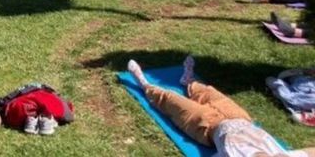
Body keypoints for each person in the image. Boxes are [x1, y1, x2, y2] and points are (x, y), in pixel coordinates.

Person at [127, 56, 315, 156]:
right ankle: (189, 80)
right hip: (239, 117)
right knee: (209, 92)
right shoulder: (285, 155)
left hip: (207, 126)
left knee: (171, 101)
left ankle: (144, 83)